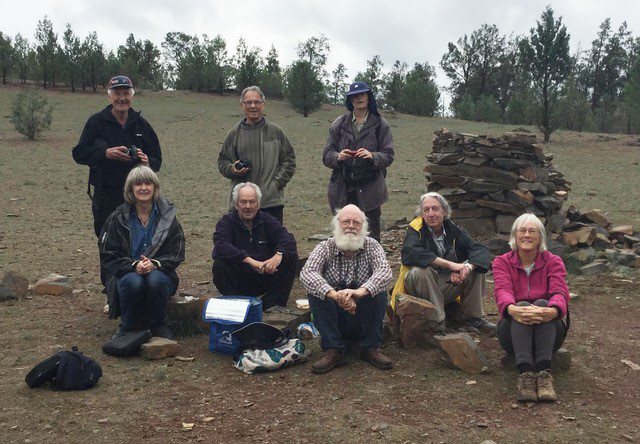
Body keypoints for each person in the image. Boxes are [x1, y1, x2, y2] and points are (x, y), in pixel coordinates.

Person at [300, 204, 393, 374]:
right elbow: (307, 272)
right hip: (334, 316)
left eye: (356, 222)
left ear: (363, 226)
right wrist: (335, 295)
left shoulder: (372, 246)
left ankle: (370, 347)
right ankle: (333, 349)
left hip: (362, 314)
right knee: (316, 292)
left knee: (377, 291)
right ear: (337, 224)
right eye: (346, 222)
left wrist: (359, 293)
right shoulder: (325, 247)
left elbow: (384, 271)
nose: (351, 226)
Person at [99, 166, 185, 340]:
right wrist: (134, 265)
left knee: (155, 280)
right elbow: (108, 253)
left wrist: (155, 264)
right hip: (127, 272)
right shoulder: (117, 218)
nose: (143, 188)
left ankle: (158, 325)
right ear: (130, 189)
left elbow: (177, 251)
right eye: (138, 184)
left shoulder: (167, 217)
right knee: (133, 282)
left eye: (148, 183)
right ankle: (127, 327)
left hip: (160, 272)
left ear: (155, 187)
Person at [391, 192, 495, 333]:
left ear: (444, 211)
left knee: (477, 268)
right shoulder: (415, 229)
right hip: (418, 288)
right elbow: (411, 253)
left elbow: (480, 250)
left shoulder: (452, 229)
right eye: (426, 210)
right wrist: (450, 265)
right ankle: (438, 321)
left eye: (435, 209)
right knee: (421, 271)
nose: (431, 214)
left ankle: (473, 318)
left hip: (443, 284)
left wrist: (466, 268)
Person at [493, 213, 570, 402]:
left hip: (549, 331)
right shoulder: (502, 262)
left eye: (532, 231)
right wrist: (512, 309)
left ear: (540, 237)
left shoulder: (553, 261)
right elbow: (502, 291)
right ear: (514, 236)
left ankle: (544, 375)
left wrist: (552, 311)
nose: (527, 235)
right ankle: (526, 375)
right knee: (522, 305)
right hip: (512, 332)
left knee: (544, 303)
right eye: (522, 231)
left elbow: (560, 292)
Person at [73, 75, 162, 237]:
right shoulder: (96, 122)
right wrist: (105, 154)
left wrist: (147, 162)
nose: (122, 98)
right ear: (109, 97)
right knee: (108, 240)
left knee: (137, 240)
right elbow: (79, 154)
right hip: (106, 195)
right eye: (117, 94)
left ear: (132, 97)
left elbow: (157, 160)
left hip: (138, 195)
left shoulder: (141, 124)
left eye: (126, 93)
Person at [322, 81, 394, 241]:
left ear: (369, 97)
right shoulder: (339, 124)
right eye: (354, 96)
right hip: (342, 190)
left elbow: (389, 155)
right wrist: (338, 157)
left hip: (370, 193)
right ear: (350, 100)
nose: (358, 98)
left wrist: (373, 156)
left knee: (371, 238)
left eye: (362, 94)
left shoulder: (380, 124)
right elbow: (326, 155)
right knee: (343, 237)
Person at [212, 182, 298, 310]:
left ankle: (272, 304)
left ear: (258, 204)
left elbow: (288, 239)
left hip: (266, 275)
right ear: (236, 204)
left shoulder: (267, 220)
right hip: (239, 278)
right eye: (243, 202)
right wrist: (251, 262)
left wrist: (277, 256)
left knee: (290, 256)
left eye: (252, 202)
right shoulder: (226, 222)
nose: (248, 206)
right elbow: (221, 245)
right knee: (219, 264)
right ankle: (236, 304)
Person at [217, 86, 296, 224]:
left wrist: (275, 184)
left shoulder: (276, 132)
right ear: (242, 106)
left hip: (270, 203)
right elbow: (222, 161)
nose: (253, 106)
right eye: (248, 102)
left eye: (257, 102)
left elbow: (289, 160)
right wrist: (233, 169)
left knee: (272, 244)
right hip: (241, 206)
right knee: (241, 245)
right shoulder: (234, 135)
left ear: (263, 105)